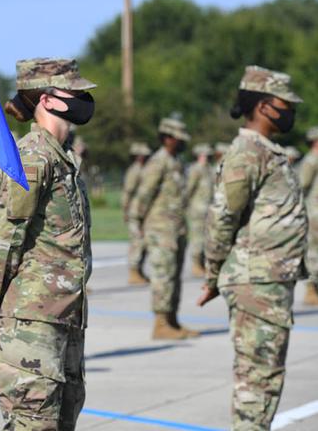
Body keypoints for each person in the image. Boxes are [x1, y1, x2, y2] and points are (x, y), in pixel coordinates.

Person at [0, 58, 95, 430]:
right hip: (31, 324)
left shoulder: (63, 159)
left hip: (64, 318)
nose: (82, 98)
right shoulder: (33, 157)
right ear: (46, 99)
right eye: (73, 92)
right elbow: (4, 241)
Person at [198, 65, 308, 431]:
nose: (290, 111)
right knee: (257, 381)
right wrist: (212, 274)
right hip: (256, 283)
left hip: (269, 282)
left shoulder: (266, 150)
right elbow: (222, 217)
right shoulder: (247, 151)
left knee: (265, 376)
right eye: (283, 104)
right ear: (262, 106)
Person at [129, 117, 200, 340]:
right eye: (178, 139)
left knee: (175, 276)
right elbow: (144, 194)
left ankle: (172, 321)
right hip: (159, 230)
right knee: (163, 277)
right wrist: (137, 222)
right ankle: (160, 325)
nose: (182, 143)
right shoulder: (158, 162)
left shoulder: (176, 161)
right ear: (167, 137)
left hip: (176, 229)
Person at [123, 142, 151, 285]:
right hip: (135, 211)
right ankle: (133, 272)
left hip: (143, 211)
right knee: (137, 241)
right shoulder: (134, 171)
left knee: (144, 242)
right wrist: (126, 210)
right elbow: (128, 192)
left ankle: (139, 271)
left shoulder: (144, 169)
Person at [185, 144, 214, 278]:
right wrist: (185, 205)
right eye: (204, 155)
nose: (207, 157)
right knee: (197, 238)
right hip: (197, 209)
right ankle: (196, 264)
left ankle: (202, 264)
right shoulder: (195, 169)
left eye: (208, 155)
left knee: (206, 238)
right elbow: (189, 188)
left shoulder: (209, 170)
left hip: (208, 208)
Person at [301, 127, 318, 305]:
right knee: (313, 250)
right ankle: (311, 288)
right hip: (314, 212)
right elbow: (302, 184)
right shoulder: (311, 160)